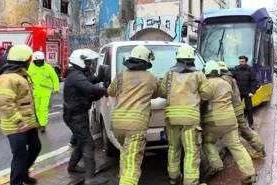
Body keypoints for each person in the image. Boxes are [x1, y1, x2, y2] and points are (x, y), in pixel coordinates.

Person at [159, 45, 212, 185]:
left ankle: (174, 177)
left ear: (178, 57)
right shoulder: (198, 74)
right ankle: (191, 181)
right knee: (191, 151)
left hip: (171, 118)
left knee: (173, 148)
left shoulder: (169, 74)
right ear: (192, 58)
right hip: (190, 120)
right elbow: (207, 94)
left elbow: (163, 92)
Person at [107, 45, 160, 185]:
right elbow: (156, 94)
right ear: (146, 62)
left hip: (117, 123)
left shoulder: (120, 76)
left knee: (125, 152)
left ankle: (123, 177)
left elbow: (111, 92)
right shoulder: (152, 78)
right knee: (133, 161)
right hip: (136, 125)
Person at [201, 61, 256, 184]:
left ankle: (216, 164)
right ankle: (249, 173)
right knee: (237, 146)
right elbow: (233, 99)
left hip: (212, 122)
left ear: (207, 71)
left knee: (207, 142)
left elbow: (202, 101)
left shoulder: (205, 84)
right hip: (230, 121)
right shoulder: (226, 84)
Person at [0, 45, 41, 185]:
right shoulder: (7, 78)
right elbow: (5, 103)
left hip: (28, 123)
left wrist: (34, 121)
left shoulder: (20, 74)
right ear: (22, 60)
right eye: (28, 59)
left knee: (36, 147)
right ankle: (16, 182)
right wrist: (19, 122)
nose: (30, 62)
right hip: (15, 125)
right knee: (19, 154)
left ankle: (23, 174)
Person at [63, 49, 108, 185]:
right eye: (88, 63)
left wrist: (100, 78)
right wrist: (106, 90)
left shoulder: (77, 74)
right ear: (80, 62)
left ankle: (72, 166)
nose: (90, 65)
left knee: (82, 141)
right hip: (75, 116)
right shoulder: (76, 76)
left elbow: (90, 80)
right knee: (88, 143)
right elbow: (90, 88)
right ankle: (90, 179)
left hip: (77, 114)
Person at [218, 61, 266, 159]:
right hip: (238, 108)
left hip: (233, 110)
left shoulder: (224, 79)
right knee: (244, 130)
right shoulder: (231, 78)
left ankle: (259, 149)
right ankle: (260, 148)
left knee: (243, 131)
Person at [28, 51, 59, 133]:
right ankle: (39, 123)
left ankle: (43, 124)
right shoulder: (30, 68)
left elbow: (55, 78)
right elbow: (27, 79)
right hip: (35, 92)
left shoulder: (48, 67)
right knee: (37, 108)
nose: (39, 62)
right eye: (37, 61)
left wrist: (56, 89)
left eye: (40, 60)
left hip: (45, 92)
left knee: (43, 108)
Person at [232, 55, 257, 129]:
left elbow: (254, 81)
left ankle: (251, 123)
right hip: (238, 93)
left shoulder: (250, 70)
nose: (241, 63)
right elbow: (232, 78)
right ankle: (234, 123)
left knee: (249, 109)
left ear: (246, 62)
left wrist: (252, 92)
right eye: (240, 61)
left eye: (242, 61)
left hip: (247, 93)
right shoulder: (236, 69)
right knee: (236, 108)